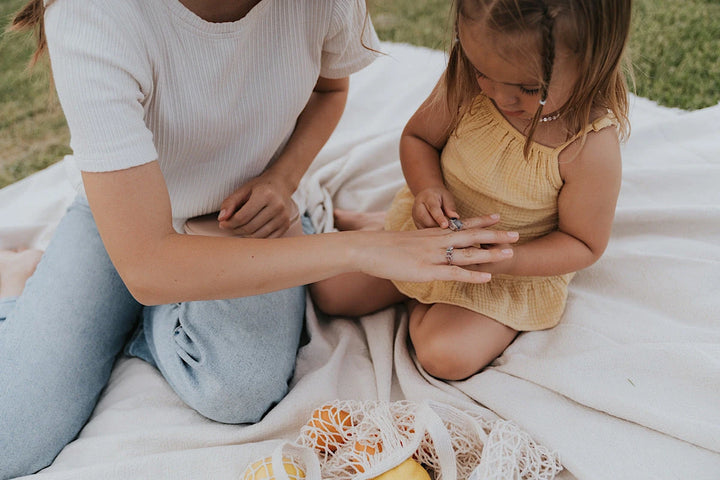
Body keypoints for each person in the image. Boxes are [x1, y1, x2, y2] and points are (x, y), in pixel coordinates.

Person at [0, 0, 519, 477]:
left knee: (238, 391)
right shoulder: (95, 15)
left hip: (250, 214)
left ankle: (163, 303)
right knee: (10, 442)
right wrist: (367, 247)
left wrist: (283, 180)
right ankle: (24, 280)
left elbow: (328, 90)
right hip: (124, 221)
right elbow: (146, 264)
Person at [311, 0, 631, 381]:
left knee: (444, 356)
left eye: (529, 89)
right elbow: (418, 139)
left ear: (594, 60)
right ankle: (392, 242)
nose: (500, 96)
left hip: (504, 272)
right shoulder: (471, 77)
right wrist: (427, 189)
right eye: (483, 73)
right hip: (429, 236)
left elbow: (583, 244)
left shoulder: (588, 146)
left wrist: (506, 260)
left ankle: (414, 287)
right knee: (329, 293)